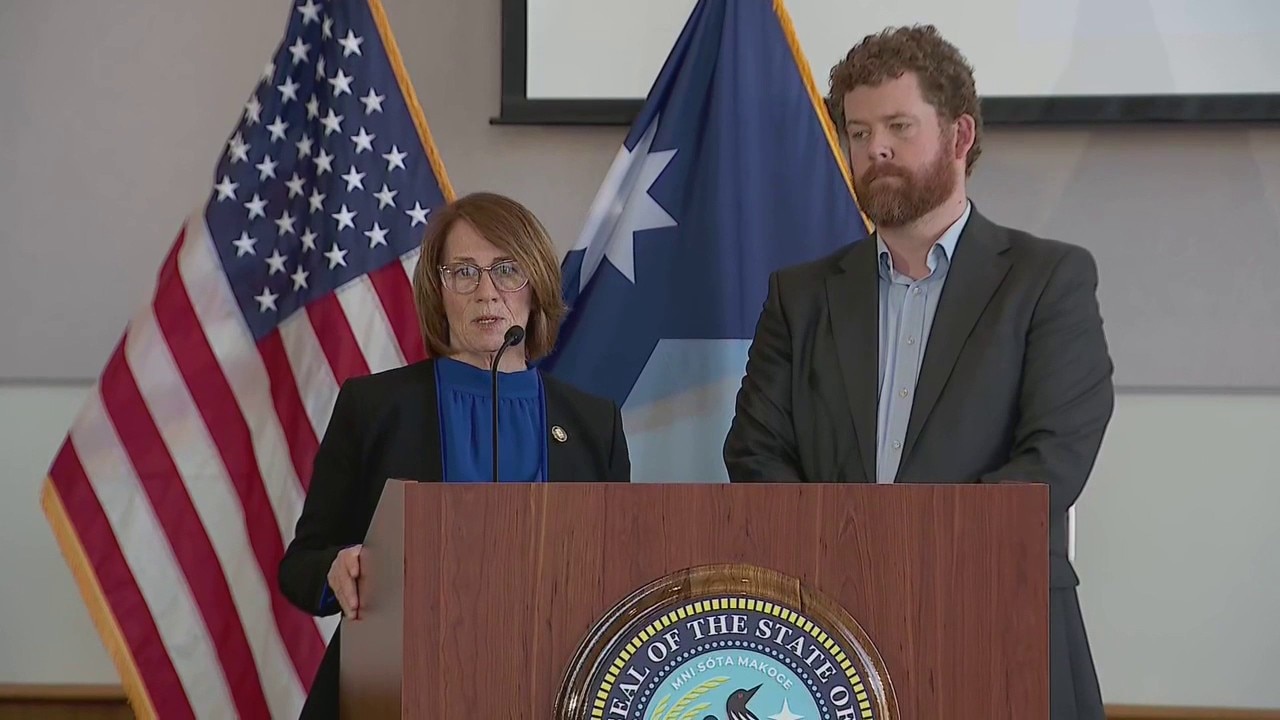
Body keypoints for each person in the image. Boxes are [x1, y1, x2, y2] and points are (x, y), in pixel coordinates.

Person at [722, 25, 1113, 720]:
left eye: (899, 127)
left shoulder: (1048, 280)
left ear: (960, 136)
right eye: (858, 132)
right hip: (832, 632)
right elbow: (756, 455)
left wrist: (910, 557)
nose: (875, 149)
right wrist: (846, 561)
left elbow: (1052, 462)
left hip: (1001, 619)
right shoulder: (800, 296)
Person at [278, 191, 631, 719]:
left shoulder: (593, 423)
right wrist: (336, 568)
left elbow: (619, 573)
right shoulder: (374, 408)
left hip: (549, 689)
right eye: (464, 272)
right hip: (395, 691)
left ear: (536, 286)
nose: (487, 292)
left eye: (507, 270)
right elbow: (302, 563)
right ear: (438, 292)